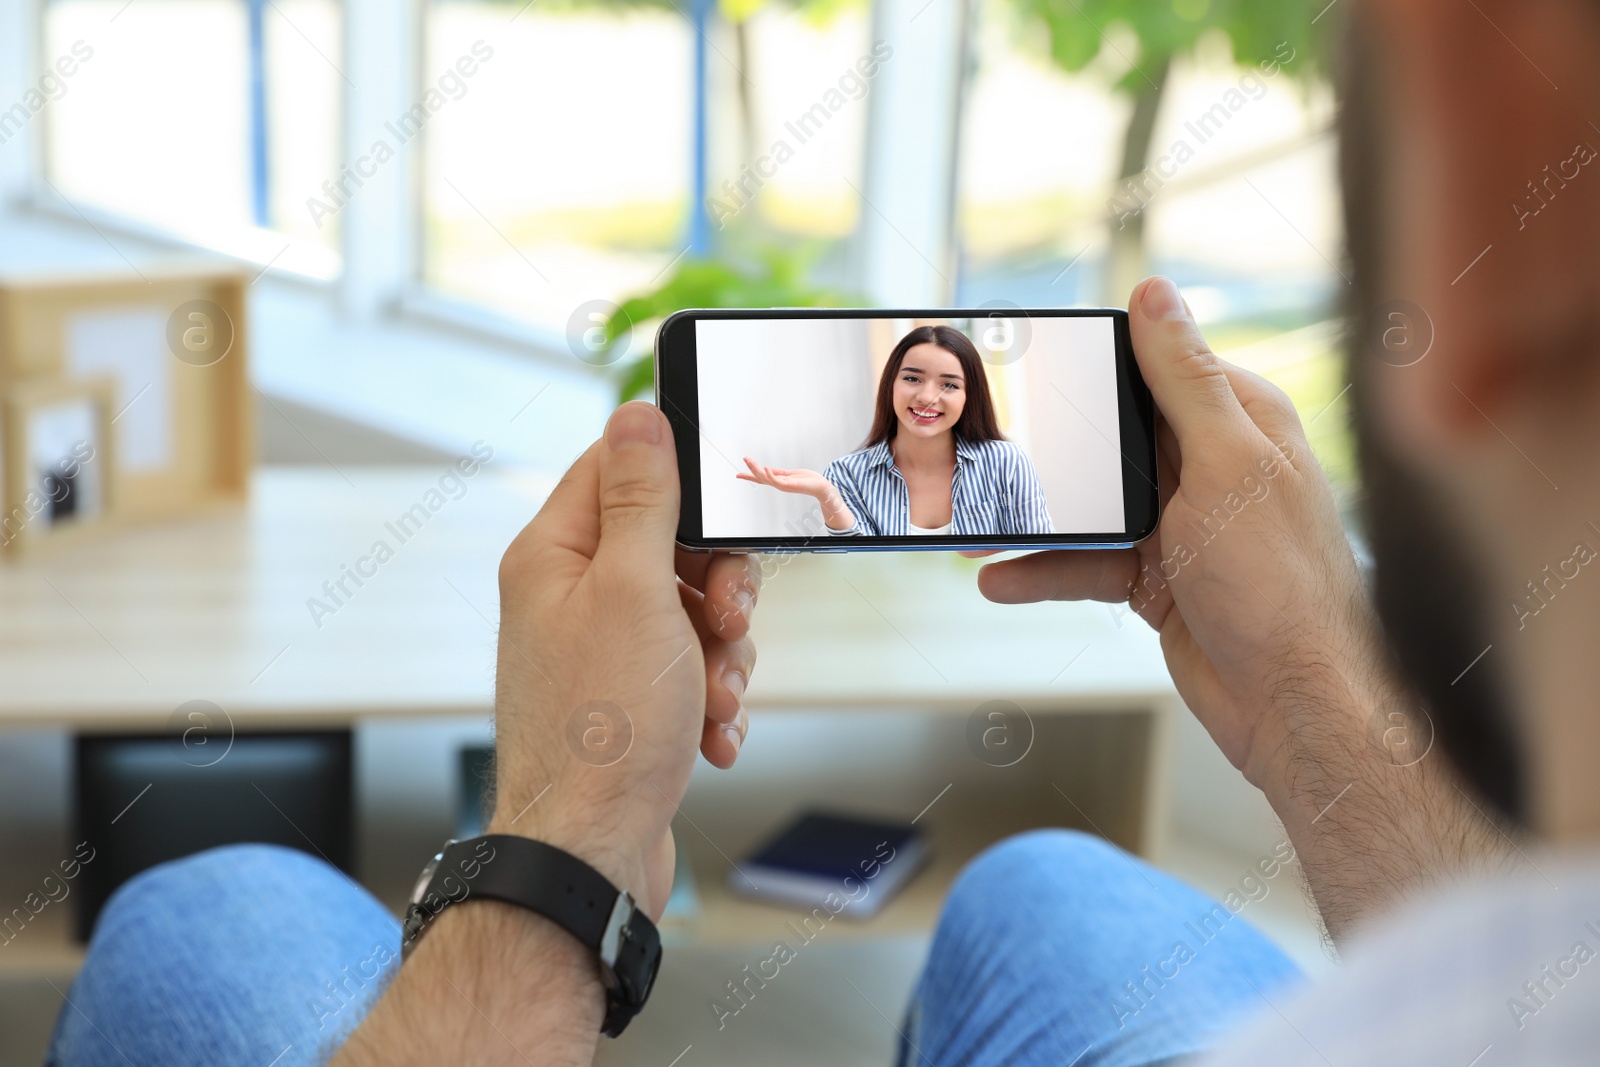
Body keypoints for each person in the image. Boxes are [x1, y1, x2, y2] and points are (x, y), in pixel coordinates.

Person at [43, 0, 1600, 1062]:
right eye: (907, 371)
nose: (925, 384)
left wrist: (570, 832)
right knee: (1049, 884)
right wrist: (1309, 692)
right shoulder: (848, 475)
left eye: (943, 370)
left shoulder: (990, 478)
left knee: (210, 901)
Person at [737, 324, 1054, 536]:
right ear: (891, 383)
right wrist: (826, 495)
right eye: (913, 378)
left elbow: (1042, 556)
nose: (928, 397)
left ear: (969, 396)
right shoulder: (847, 474)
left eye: (949, 384)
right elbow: (860, 577)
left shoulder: (1007, 461)